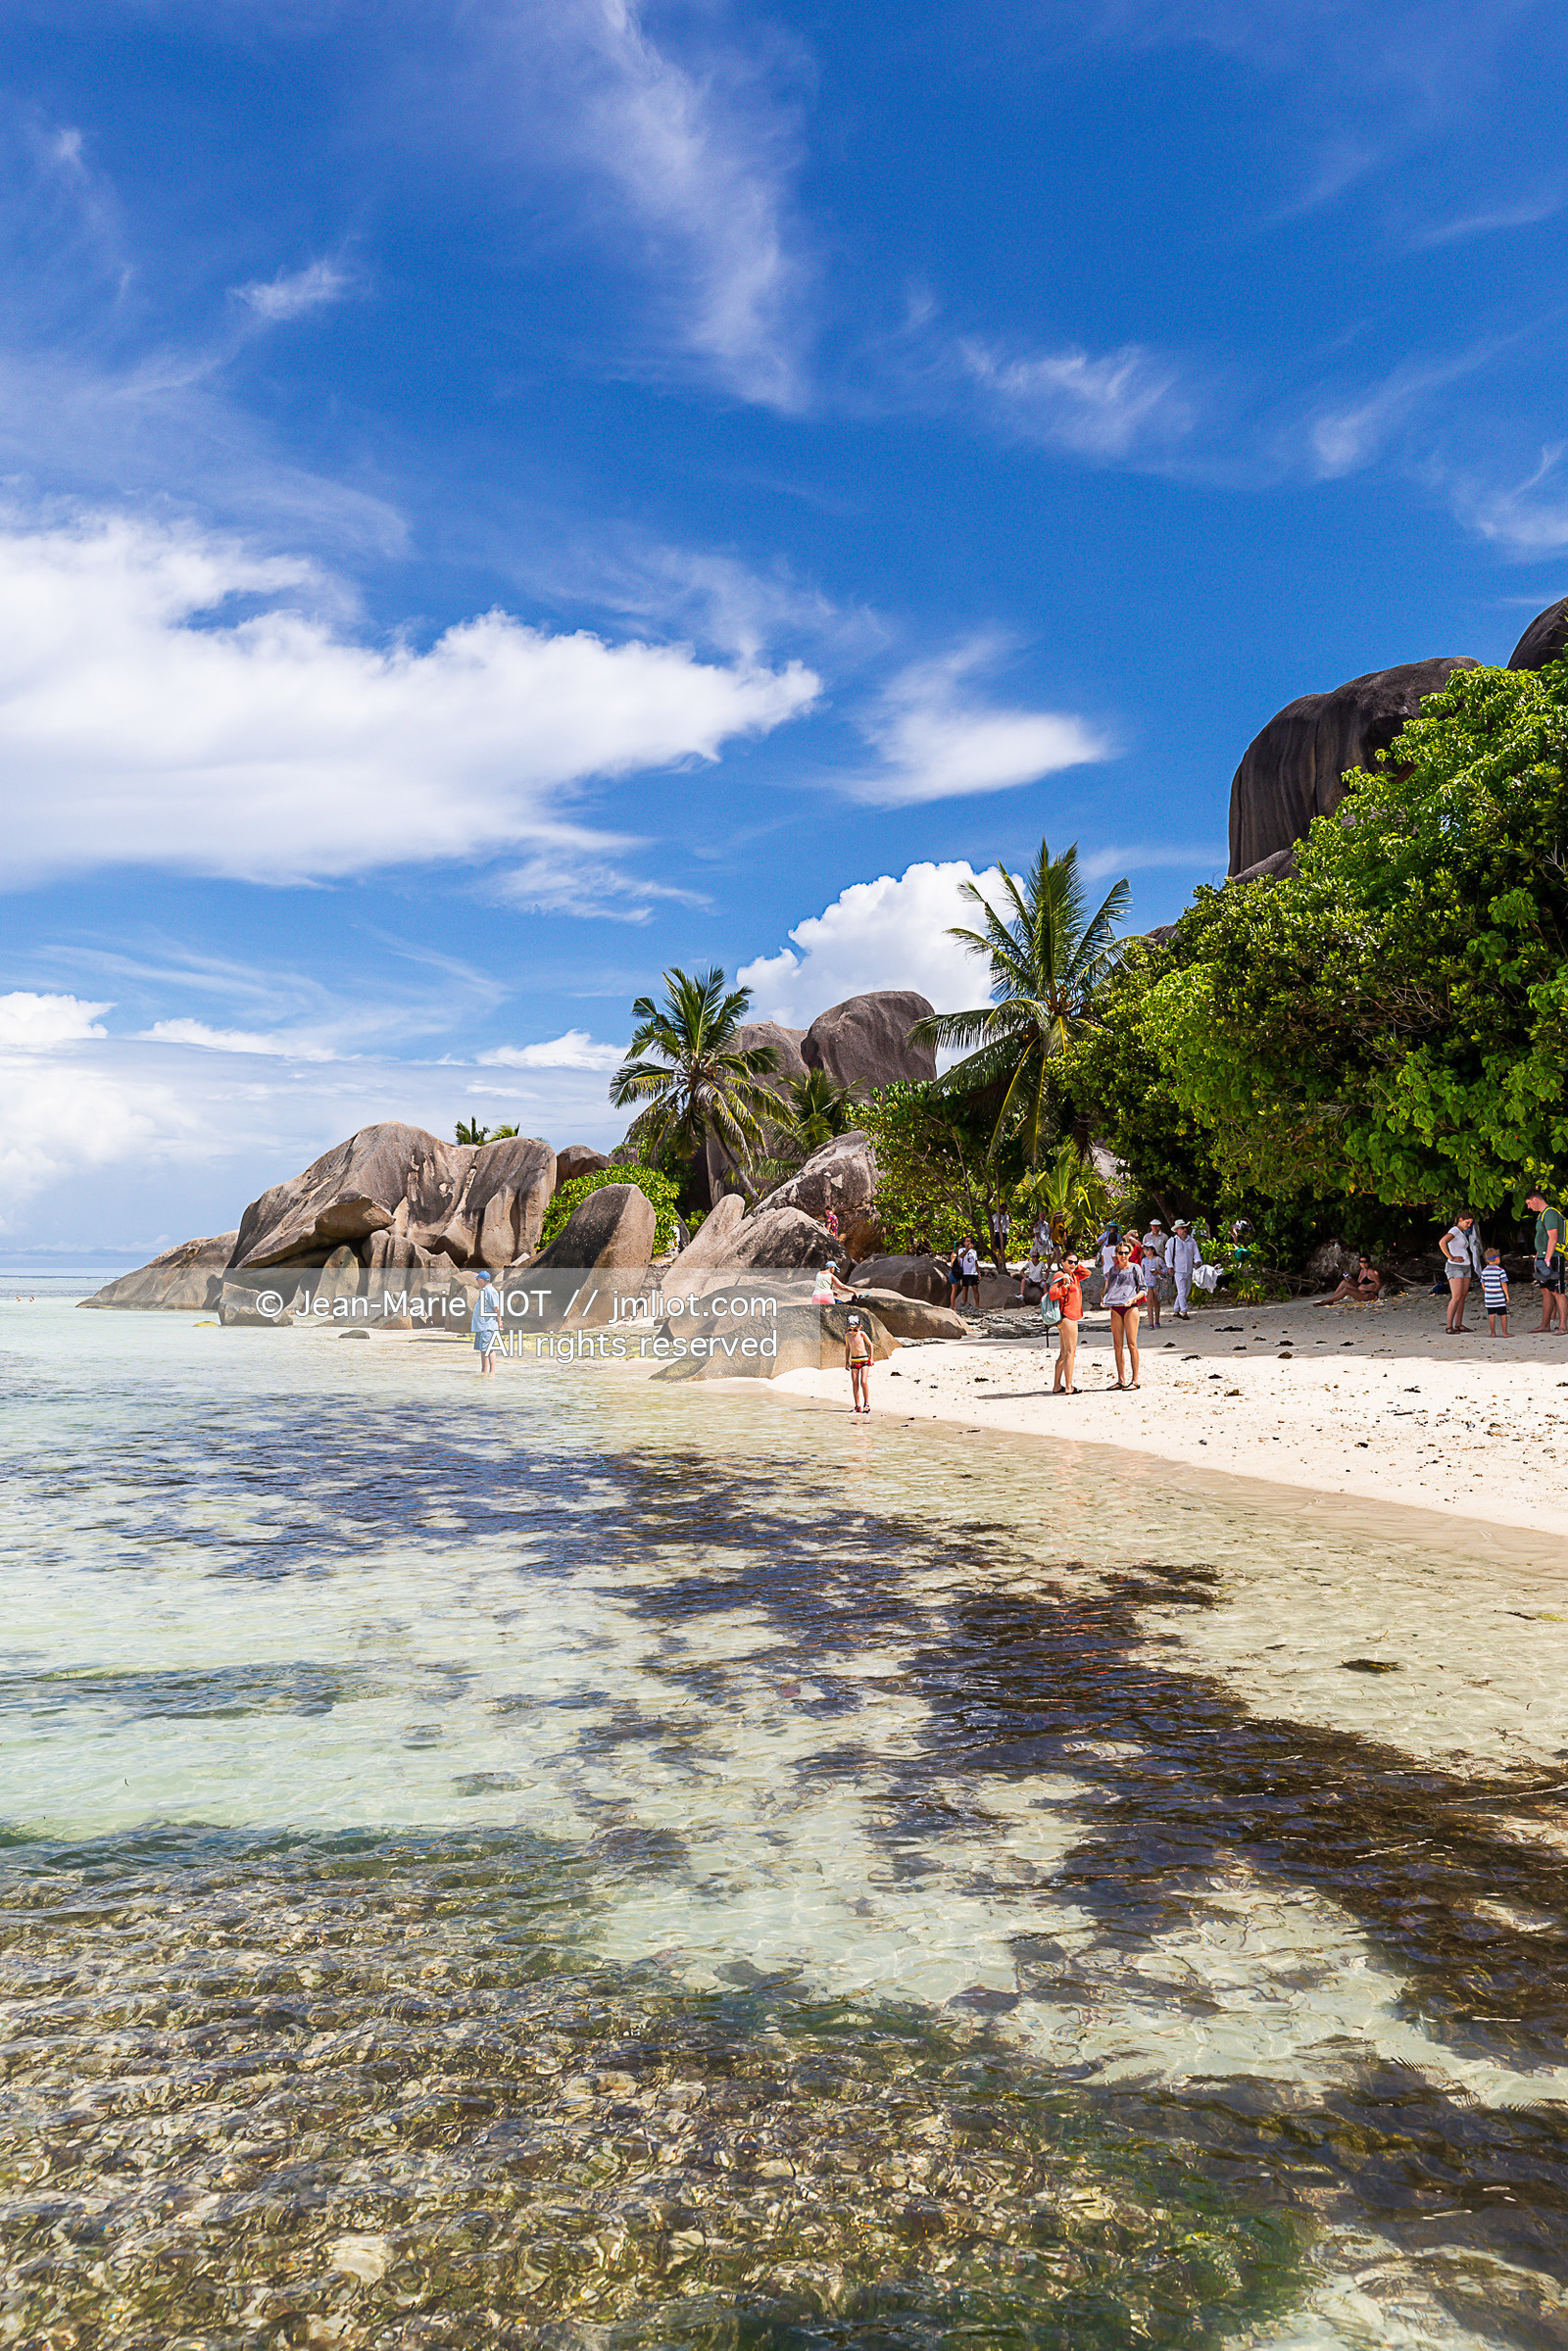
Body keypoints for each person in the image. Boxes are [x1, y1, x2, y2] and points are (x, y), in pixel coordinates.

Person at [1102, 1243, 1146, 1389]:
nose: (1123, 1256)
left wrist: (1133, 1299)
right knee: (1117, 1345)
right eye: (1120, 1253)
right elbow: (1108, 1289)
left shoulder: (1135, 1268)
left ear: (1130, 1253)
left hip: (1130, 1307)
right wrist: (1104, 1299)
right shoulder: (1112, 1270)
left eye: (1126, 1253)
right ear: (1116, 1254)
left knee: (1132, 1344)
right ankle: (1121, 1380)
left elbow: (1143, 1289)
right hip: (1115, 1307)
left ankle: (1135, 1380)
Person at [1527, 1192, 1567, 1334]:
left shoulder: (1550, 1214)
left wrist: (1548, 1259)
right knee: (1546, 1291)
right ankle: (1545, 1324)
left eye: (1529, 1203)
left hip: (1553, 1257)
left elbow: (1553, 1238)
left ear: (1535, 1199)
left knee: (1557, 1291)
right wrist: (1538, 1258)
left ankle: (1563, 1326)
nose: (1528, 1207)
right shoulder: (1542, 1215)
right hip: (1542, 1258)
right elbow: (1541, 1239)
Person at [1049, 1253, 1086, 1393]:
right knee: (1070, 1352)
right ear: (1062, 1261)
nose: (1073, 1264)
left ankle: (1057, 1385)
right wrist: (1065, 1285)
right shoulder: (1059, 1275)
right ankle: (1069, 1386)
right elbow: (1053, 1294)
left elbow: (1086, 1273)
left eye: (1075, 1262)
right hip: (1067, 1316)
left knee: (1064, 1353)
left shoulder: (1075, 1274)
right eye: (1070, 1261)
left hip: (1070, 1316)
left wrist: (1074, 1268)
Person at [1440, 1211, 1482, 1334]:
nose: (1468, 1225)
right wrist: (1451, 1257)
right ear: (1460, 1219)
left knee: (1463, 1297)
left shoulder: (1462, 1233)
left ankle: (1458, 1324)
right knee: (1456, 1296)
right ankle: (1449, 1326)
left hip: (1465, 1267)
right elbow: (1442, 1242)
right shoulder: (1455, 1230)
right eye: (1467, 1222)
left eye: (1470, 1223)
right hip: (1455, 1267)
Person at [1317, 1254, 1385, 1306]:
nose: (1363, 1264)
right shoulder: (1362, 1271)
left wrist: (1373, 1293)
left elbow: (1379, 1284)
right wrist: (1350, 1280)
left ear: (1369, 1263)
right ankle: (1331, 1299)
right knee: (1344, 1282)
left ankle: (1326, 1302)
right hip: (1360, 1291)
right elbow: (1358, 1284)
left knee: (1346, 1290)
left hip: (1368, 1295)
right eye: (1361, 1262)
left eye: (1365, 1262)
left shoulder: (1372, 1272)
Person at [1165, 1220, 1200, 1319]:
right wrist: (1170, 1267)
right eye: (1182, 1228)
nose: (1184, 1230)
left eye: (1185, 1227)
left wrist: (1198, 1260)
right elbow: (1168, 1255)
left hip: (1189, 1269)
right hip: (1178, 1270)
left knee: (1186, 1292)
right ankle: (1184, 1312)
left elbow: (1196, 1252)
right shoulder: (1172, 1241)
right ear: (1177, 1230)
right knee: (1182, 1291)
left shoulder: (1191, 1241)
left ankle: (1176, 1310)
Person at [472, 1267, 502, 1375]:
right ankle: (484, 1371)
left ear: (481, 1280)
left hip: (488, 1326)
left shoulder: (490, 1291)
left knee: (488, 1349)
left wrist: (499, 1322)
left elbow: (496, 1308)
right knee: (483, 1349)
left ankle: (490, 1372)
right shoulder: (485, 1290)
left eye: (477, 1279)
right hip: (481, 1326)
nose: (477, 1281)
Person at [845, 1309, 874, 1413]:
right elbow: (847, 1348)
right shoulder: (847, 1336)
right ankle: (857, 1405)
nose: (852, 1332)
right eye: (850, 1329)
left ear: (859, 1327)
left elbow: (870, 1345)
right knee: (855, 1382)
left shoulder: (862, 1334)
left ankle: (866, 1403)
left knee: (863, 1381)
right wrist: (846, 1361)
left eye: (855, 1330)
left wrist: (872, 1358)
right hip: (854, 1361)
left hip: (864, 1360)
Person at [1142, 1221, 1168, 1327]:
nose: (1146, 1251)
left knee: (1157, 1302)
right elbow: (1141, 1273)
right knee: (1149, 1303)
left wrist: (1158, 1272)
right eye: (1145, 1249)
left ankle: (1157, 1321)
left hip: (1157, 1282)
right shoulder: (1143, 1261)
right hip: (1147, 1282)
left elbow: (1166, 1270)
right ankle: (1150, 1323)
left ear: (1152, 1250)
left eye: (1147, 1249)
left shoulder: (1158, 1259)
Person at [1481, 1248, 1510, 1336]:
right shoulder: (1500, 1270)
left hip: (1489, 1298)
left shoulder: (1484, 1271)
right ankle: (1505, 1332)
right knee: (1503, 1315)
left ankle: (1493, 1333)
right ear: (1497, 1259)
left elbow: (1482, 1283)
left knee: (1491, 1315)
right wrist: (1507, 1296)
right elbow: (1504, 1283)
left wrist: (1486, 1290)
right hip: (1499, 1297)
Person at [957, 1241, 980, 1309]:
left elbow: (975, 1262)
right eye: (967, 1241)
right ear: (964, 1243)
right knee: (965, 1289)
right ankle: (964, 1304)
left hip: (973, 1273)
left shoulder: (974, 1252)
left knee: (975, 1289)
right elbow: (961, 1256)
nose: (969, 1243)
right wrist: (968, 1249)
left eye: (970, 1241)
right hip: (965, 1272)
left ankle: (977, 1306)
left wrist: (978, 1272)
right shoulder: (961, 1250)